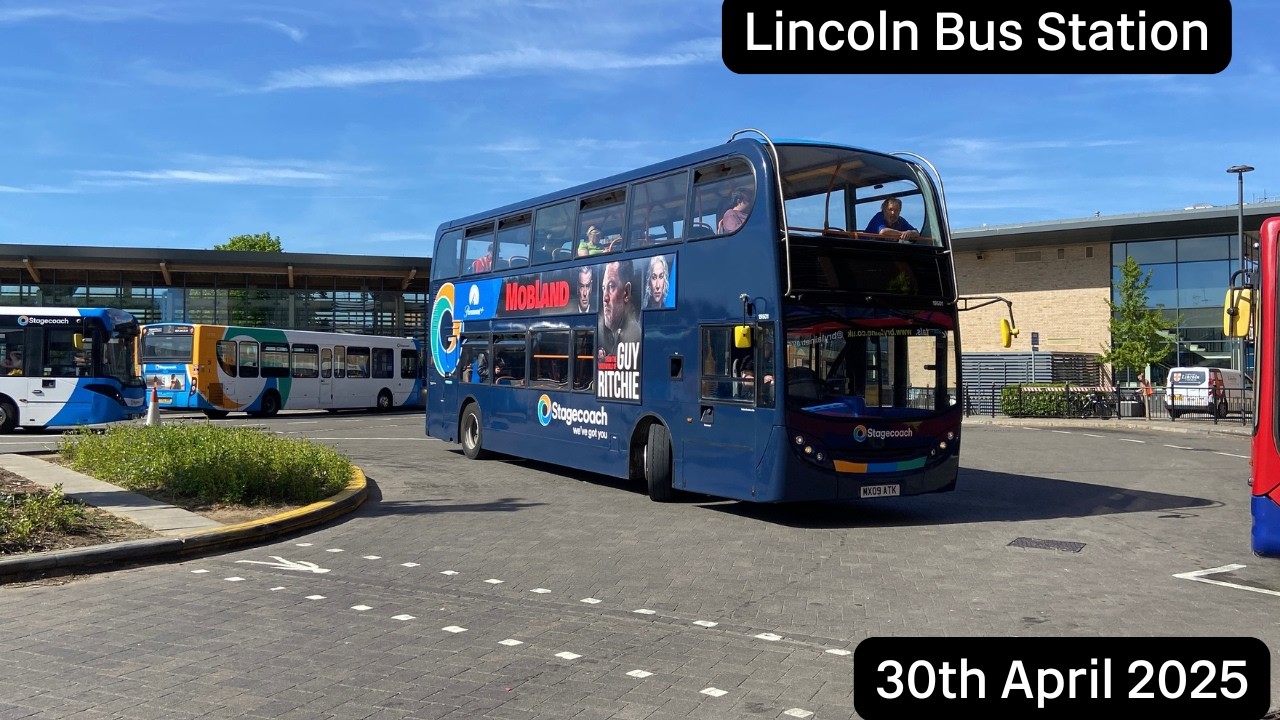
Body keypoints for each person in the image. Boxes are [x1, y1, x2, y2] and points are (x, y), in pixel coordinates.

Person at [599, 260, 640, 356]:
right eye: (604, 288)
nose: (605, 298)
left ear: (626, 292)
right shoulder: (613, 332)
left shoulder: (632, 336)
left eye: (611, 286)